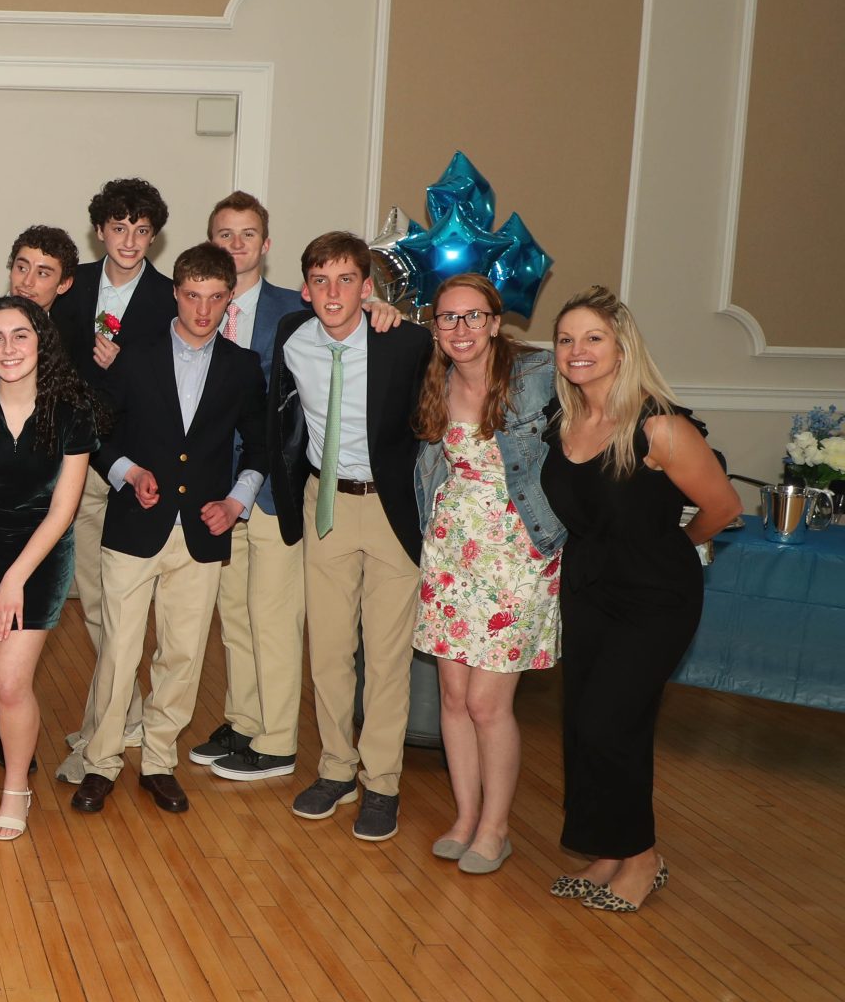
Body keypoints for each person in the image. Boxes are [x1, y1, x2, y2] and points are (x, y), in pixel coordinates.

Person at [541, 287, 739, 912]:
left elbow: (723, 510)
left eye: (593, 338)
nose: (578, 351)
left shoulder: (660, 427)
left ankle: (645, 857)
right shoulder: (562, 420)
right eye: (567, 339)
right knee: (583, 725)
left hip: (655, 595)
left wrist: (670, 546)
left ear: (622, 349)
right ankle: (610, 847)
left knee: (610, 721)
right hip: (588, 589)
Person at [62, 246, 270, 815]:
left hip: (203, 533)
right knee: (119, 652)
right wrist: (127, 473)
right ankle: (102, 761)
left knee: (182, 655)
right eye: (192, 295)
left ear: (230, 300)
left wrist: (236, 502)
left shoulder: (243, 366)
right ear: (175, 293)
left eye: (215, 297)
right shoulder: (133, 358)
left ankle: (158, 759)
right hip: (134, 527)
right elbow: (96, 432)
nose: (202, 309)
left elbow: (259, 447)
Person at [267, 232, 434, 841]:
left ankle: (382, 783)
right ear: (305, 287)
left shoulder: (405, 341)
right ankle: (337, 769)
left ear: (368, 288)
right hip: (326, 503)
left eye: (345, 280)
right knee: (330, 650)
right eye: (319, 280)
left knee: (387, 659)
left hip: (391, 510)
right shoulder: (293, 336)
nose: (331, 293)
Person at [410, 274, 566, 874]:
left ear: (497, 322)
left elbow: (602, 395)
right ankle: (466, 816)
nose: (461, 329)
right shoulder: (437, 382)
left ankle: (496, 829)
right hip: (452, 553)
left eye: (473, 317)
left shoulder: (536, 376)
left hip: (518, 553)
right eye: (448, 319)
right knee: (452, 698)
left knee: (486, 704)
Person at [0, 296, 98, 841]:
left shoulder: (73, 408)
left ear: (41, 342)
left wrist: (13, 582)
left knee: (9, 684)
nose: (9, 348)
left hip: (40, 553)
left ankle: (15, 789)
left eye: (20, 335)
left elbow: (63, 509)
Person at [50, 180, 178, 759]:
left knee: (123, 605)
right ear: (101, 230)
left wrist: (126, 365)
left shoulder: (172, 297)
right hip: (77, 462)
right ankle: (120, 712)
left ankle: (119, 715)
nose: (130, 241)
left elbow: (178, 383)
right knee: (94, 600)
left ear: (154, 236)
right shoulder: (72, 285)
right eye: (120, 228)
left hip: (134, 465)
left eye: (142, 231)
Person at [200, 192, 310, 780]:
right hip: (217, 491)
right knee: (235, 615)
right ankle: (244, 721)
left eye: (247, 234)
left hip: (272, 490)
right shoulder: (195, 308)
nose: (236, 244)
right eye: (225, 234)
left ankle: (278, 739)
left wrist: (381, 309)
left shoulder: (300, 309)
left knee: (273, 616)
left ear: (266, 245)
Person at [4, 225, 80, 312]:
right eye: (22, 268)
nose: (27, 282)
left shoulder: (65, 324)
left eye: (42, 274)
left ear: (64, 285)